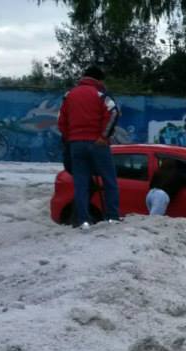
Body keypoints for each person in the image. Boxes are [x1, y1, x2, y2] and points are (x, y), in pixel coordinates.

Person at [58, 66, 122, 229]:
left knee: (81, 183)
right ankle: (112, 217)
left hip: (76, 144)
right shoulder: (101, 94)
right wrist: (104, 136)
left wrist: (70, 138)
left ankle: (83, 221)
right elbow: (114, 112)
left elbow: (61, 121)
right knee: (109, 180)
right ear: (99, 80)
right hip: (97, 143)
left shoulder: (69, 95)